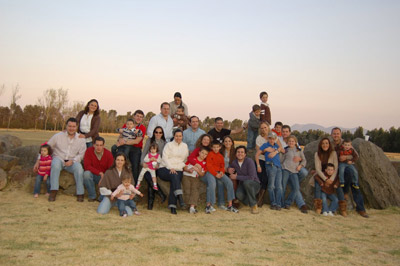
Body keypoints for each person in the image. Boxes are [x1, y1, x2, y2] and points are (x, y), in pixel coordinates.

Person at [35, 117, 86, 202]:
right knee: (55, 165)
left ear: (77, 127)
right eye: (69, 126)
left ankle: (80, 193)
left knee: (79, 169)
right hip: (59, 158)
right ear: (66, 126)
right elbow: (46, 148)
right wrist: (38, 161)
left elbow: (82, 154)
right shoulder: (58, 136)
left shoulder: (81, 139)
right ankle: (53, 191)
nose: (71, 128)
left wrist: (73, 161)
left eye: (73, 126)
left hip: (72, 160)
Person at [331, 127, 368, 218]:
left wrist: (347, 158)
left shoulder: (346, 143)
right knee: (346, 175)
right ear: (332, 135)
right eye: (334, 134)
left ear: (341, 134)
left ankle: (361, 209)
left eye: (337, 133)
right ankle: (344, 196)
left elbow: (355, 155)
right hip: (335, 168)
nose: (336, 135)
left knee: (354, 183)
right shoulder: (330, 144)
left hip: (346, 167)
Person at [157, 129, 189, 214]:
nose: (178, 137)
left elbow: (184, 160)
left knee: (174, 179)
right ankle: (180, 197)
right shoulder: (169, 145)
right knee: (174, 176)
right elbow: (164, 158)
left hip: (178, 169)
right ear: (174, 136)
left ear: (182, 136)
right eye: (176, 136)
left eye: (180, 136)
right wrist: (171, 167)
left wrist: (177, 167)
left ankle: (173, 206)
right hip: (165, 168)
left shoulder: (185, 146)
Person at [204, 140, 238, 213]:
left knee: (229, 182)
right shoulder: (210, 154)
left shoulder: (220, 156)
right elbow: (209, 166)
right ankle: (209, 205)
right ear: (211, 148)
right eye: (214, 147)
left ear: (220, 147)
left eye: (217, 147)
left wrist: (222, 172)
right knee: (212, 184)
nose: (216, 149)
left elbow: (222, 166)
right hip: (210, 172)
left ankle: (230, 205)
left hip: (219, 172)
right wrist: (215, 174)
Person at [280, 125, 309, 207]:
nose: (291, 142)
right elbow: (282, 160)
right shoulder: (286, 149)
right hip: (285, 170)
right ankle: (281, 203)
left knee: (296, 188)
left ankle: (288, 202)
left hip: (294, 172)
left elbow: (304, 160)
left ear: (295, 142)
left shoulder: (299, 150)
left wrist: (300, 165)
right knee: (283, 187)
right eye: (290, 141)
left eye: (293, 141)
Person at [309, 137, 338, 215]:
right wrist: (325, 179)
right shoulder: (317, 154)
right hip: (321, 175)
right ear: (320, 145)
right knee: (318, 184)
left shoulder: (333, 153)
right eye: (323, 143)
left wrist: (331, 179)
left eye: (326, 143)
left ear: (329, 144)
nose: (325, 145)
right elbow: (317, 169)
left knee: (335, 196)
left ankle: (331, 210)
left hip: (331, 176)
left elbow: (336, 167)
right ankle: (319, 207)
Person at [228, 146, 261, 214]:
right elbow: (230, 167)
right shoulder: (235, 162)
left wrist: (237, 177)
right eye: (238, 152)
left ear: (245, 154)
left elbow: (251, 177)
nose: (240, 154)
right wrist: (229, 169)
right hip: (243, 184)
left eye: (242, 152)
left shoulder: (249, 161)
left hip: (254, 184)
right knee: (238, 195)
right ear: (236, 154)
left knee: (247, 182)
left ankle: (254, 205)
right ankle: (248, 200)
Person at [140, 126, 167, 210]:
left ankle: (150, 205)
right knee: (148, 177)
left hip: (158, 166)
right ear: (154, 133)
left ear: (162, 134)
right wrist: (143, 163)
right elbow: (144, 153)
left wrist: (159, 164)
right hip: (148, 165)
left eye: (160, 132)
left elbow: (164, 156)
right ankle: (160, 193)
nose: (158, 134)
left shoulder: (164, 143)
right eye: (156, 132)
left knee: (151, 179)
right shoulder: (149, 141)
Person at [83, 136, 114, 202]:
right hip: (93, 174)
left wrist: (104, 177)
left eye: (101, 145)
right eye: (97, 145)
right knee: (86, 174)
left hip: (105, 177)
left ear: (103, 145)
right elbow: (87, 166)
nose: (98, 147)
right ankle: (92, 196)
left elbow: (110, 169)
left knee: (111, 178)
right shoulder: (89, 151)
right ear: (93, 145)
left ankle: (101, 197)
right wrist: (99, 173)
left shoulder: (108, 154)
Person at [258, 132, 282, 210]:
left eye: (273, 139)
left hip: (278, 167)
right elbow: (257, 154)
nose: (271, 140)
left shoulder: (276, 146)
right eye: (270, 138)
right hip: (270, 165)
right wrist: (265, 150)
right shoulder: (265, 145)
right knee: (271, 185)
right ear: (268, 139)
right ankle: (273, 203)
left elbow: (280, 148)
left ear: (275, 139)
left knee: (279, 186)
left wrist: (275, 152)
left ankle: (278, 203)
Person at [182, 146, 209, 214]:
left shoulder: (204, 163)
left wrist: (198, 170)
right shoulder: (193, 159)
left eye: (205, 154)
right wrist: (188, 170)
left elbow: (202, 174)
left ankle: (192, 207)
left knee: (195, 190)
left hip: (195, 177)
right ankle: (186, 204)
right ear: (199, 153)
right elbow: (184, 167)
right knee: (187, 189)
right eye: (202, 153)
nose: (203, 155)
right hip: (186, 175)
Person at [254, 122, 271, 207]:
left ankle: (261, 198)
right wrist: (268, 150)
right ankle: (258, 199)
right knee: (260, 177)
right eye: (262, 128)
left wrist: (264, 150)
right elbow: (258, 150)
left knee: (267, 179)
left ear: (268, 127)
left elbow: (277, 148)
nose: (263, 129)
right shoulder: (259, 138)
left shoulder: (272, 136)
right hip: (260, 160)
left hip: (270, 161)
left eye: (265, 127)